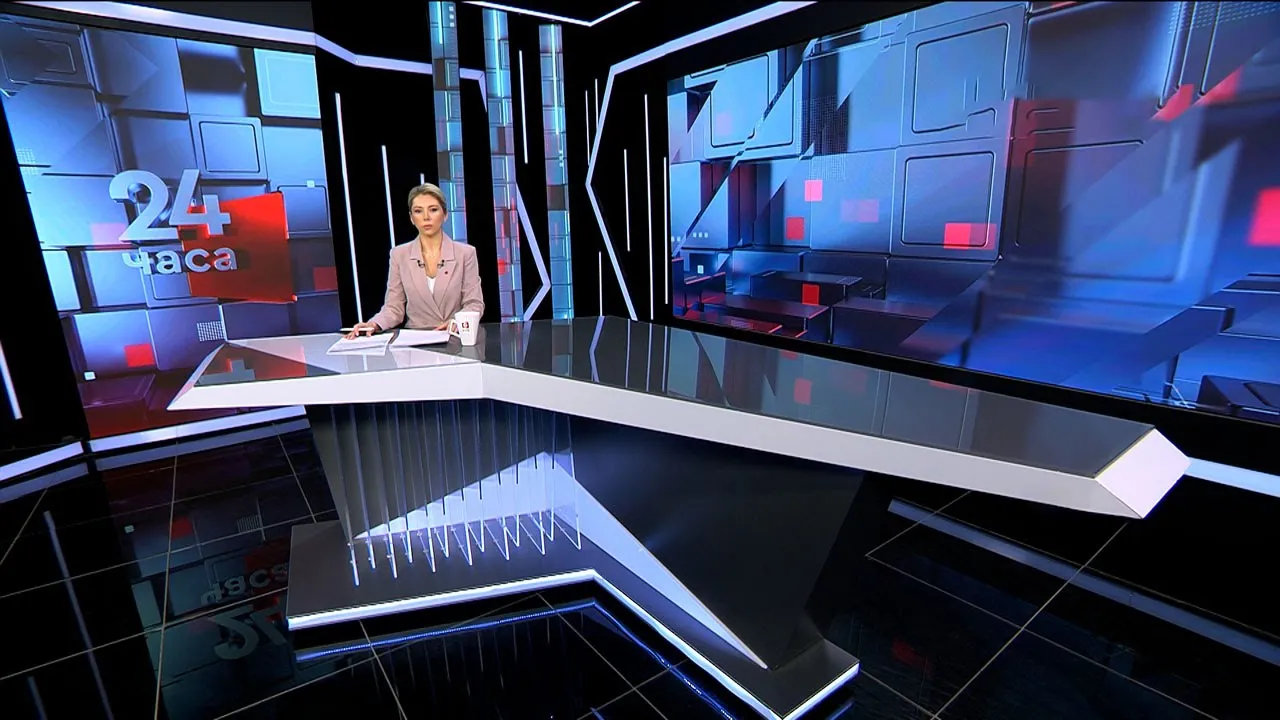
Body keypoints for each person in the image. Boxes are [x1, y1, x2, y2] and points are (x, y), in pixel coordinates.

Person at [345, 183, 484, 338]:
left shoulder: (465, 254)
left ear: (445, 214)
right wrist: (373, 324)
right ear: (411, 218)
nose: (426, 217)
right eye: (418, 211)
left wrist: (457, 322)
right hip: (416, 341)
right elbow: (394, 308)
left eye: (433, 210)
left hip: (455, 337)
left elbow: (474, 303)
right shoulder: (399, 255)